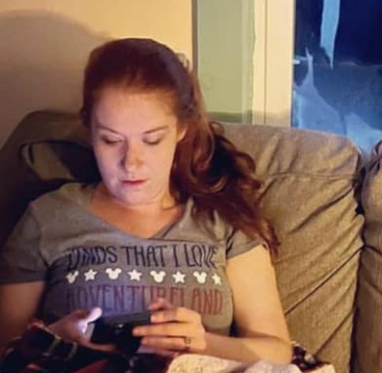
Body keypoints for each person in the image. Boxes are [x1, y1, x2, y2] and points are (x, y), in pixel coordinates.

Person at [0, 38, 292, 364]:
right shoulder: (47, 218)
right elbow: (4, 351)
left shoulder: (223, 220)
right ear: (90, 131)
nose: (132, 162)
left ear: (181, 129)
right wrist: (54, 340)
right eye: (111, 140)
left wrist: (201, 343)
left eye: (152, 140)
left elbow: (278, 352)